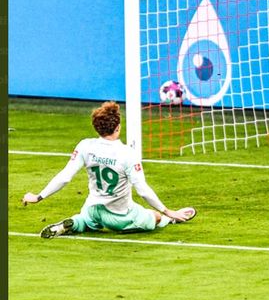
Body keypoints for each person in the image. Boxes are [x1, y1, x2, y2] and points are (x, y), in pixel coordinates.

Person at [22, 101, 197, 238]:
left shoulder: (85, 146)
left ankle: (73, 224)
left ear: (96, 127)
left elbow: (65, 176)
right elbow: (142, 190)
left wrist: (38, 197)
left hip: (92, 208)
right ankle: (171, 219)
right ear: (118, 127)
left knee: (85, 220)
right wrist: (167, 211)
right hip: (119, 216)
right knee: (154, 216)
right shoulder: (127, 154)